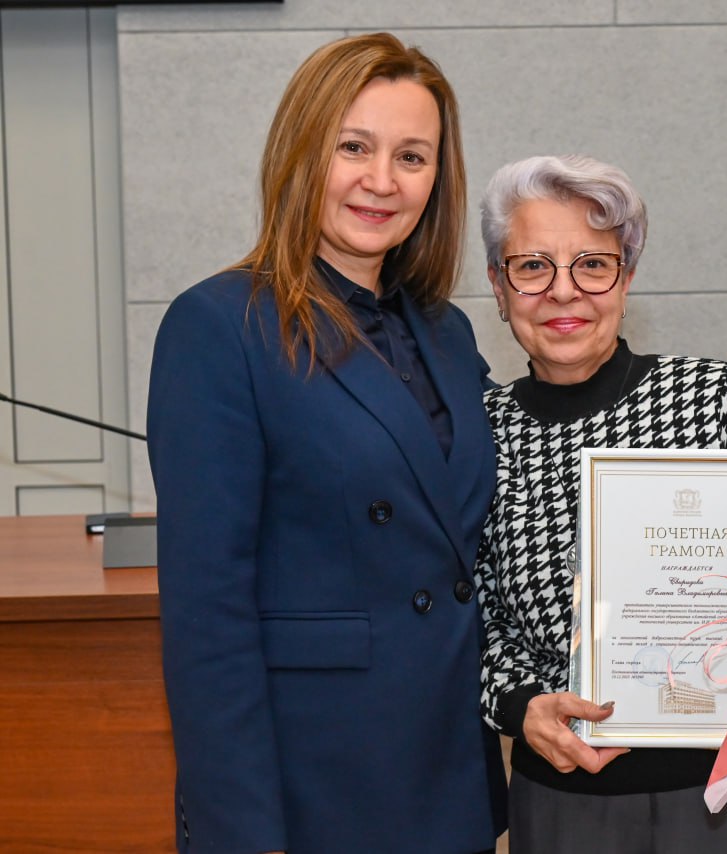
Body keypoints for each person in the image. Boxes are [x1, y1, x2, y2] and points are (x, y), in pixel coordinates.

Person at [146, 33, 504, 853]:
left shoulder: (446, 333)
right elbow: (208, 616)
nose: (382, 180)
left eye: (412, 157)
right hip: (311, 792)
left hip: (448, 778)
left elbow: (509, 509)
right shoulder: (221, 325)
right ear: (303, 151)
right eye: (355, 147)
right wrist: (243, 829)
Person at [475, 154, 727, 854]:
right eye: (533, 266)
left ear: (627, 278)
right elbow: (472, 618)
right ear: (497, 282)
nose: (563, 291)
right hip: (571, 799)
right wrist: (518, 707)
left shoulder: (711, 395)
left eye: (593, 264)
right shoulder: (477, 432)